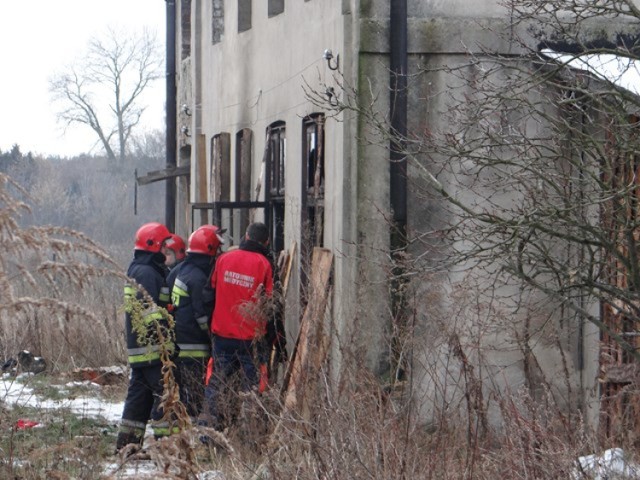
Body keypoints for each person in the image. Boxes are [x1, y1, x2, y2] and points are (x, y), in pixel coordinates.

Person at [202, 222, 274, 431]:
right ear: (266, 242)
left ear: (245, 235)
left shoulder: (224, 259)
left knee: (215, 385)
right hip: (251, 339)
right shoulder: (264, 264)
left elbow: (208, 296)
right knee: (251, 389)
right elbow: (269, 305)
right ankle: (249, 436)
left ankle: (208, 433)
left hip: (222, 336)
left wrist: (211, 326)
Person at [115, 222, 174, 452]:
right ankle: (168, 446)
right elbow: (150, 312)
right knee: (165, 395)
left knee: (138, 400)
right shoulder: (147, 273)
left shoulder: (139, 269)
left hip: (140, 350)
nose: (165, 251)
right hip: (152, 349)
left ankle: (127, 444)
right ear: (153, 246)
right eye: (163, 246)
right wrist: (166, 330)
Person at [169, 225, 224, 420]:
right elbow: (202, 317)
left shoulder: (184, 270)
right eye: (216, 250)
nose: (218, 254)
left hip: (181, 341)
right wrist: (213, 337)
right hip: (192, 344)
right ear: (209, 250)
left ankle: (186, 422)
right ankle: (190, 429)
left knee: (186, 391)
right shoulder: (199, 278)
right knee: (193, 391)